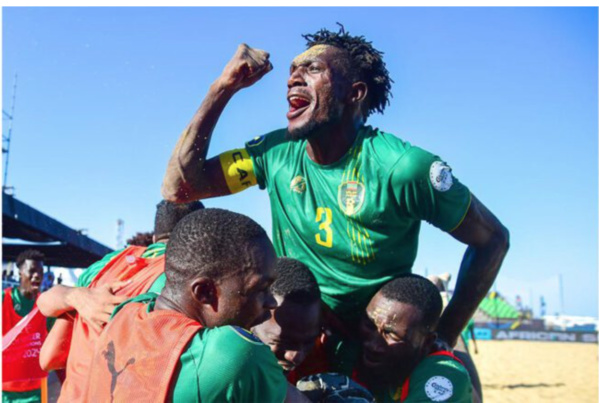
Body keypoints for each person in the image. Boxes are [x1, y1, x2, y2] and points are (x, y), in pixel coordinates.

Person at [161, 25, 510, 361]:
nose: (292, 78)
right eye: (293, 70)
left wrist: (445, 336)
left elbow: (493, 239)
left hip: (368, 346)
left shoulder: (404, 169)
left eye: (312, 69)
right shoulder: (274, 152)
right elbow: (179, 189)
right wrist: (223, 87)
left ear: (354, 93)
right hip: (293, 334)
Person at [82, 208, 309, 402]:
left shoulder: (127, 312)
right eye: (260, 289)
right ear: (205, 292)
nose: (270, 302)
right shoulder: (234, 352)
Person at [37, 200, 203, 402]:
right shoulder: (190, 278)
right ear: (198, 239)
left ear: (154, 237)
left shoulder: (103, 266)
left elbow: (48, 357)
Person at [354, 274, 472, 402]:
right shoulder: (353, 350)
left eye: (392, 335)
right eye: (369, 325)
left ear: (427, 342)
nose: (373, 345)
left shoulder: (443, 377)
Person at [252, 257, 324, 381]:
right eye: (282, 342)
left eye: (308, 342)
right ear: (251, 321)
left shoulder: (319, 362)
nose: (296, 357)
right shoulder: (214, 366)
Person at [2, 249, 50, 403]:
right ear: (20, 274)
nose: (37, 275)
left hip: (36, 389)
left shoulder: (46, 305)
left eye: (41, 272)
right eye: (32, 271)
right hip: (5, 389)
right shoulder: (4, 300)